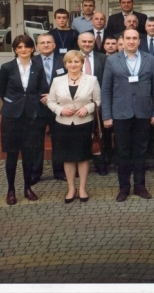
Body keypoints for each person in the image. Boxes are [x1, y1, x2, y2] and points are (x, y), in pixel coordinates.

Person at [101, 28, 154, 202]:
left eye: (135, 38)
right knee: (122, 152)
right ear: (123, 41)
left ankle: (140, 186)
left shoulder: (150, 59)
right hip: (120, 113)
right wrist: (106, 115)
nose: (131, 41)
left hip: (143, 112)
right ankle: (124, 188)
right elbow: (106, 89)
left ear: (139, 41)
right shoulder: (112, 60)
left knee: (141, 151)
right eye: (128, 38)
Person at [0, 35, 47, 205]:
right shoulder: (7, 68)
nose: (23, 50)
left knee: (29, 154)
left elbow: (41, 88)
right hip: (11, 117)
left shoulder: (38, 67)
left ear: (32, 49)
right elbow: (2, 90)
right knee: (12, 155)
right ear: (15, 50)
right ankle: (11, 190)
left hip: (31, 116)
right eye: (19, 47)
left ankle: (27, 187)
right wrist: (14, 103)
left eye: (26, 46)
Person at [47, 49, 101, 203]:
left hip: (84, 124)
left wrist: (87, 108)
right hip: (63, 124)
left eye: (76, 61)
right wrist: (60, 110)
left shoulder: (91, 80)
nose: (73, 64)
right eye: (70, 62)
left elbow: (98, 100)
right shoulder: (57, 81)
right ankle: (71, 188)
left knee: (83, 157)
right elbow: (50, 101)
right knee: (68, 158)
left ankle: (82, 188)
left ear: (82, 63)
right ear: (65, 64)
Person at [31, 33, 65, 183]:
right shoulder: (31, 61)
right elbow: (27, 85)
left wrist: (52, 96)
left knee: (59, 140)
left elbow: (68, 81)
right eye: (42, 43)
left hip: (58, 106)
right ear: (37, 46)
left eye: (48, 42)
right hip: (38, 107)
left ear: (54, 45)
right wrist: (40, 97)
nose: (45, 45)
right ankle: (35, 172)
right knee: (36, 141)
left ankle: (59, 171)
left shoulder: (63, 61)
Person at [76, 31, 111, 176]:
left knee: (99, 134)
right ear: (78, 42)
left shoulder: (104, 58)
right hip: (77, 103)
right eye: (84, 41)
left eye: (90, 41)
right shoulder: (72, 58)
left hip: (99, 102)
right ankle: (78, 165)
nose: (87, 44)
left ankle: (100, 165)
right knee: (79, 136)